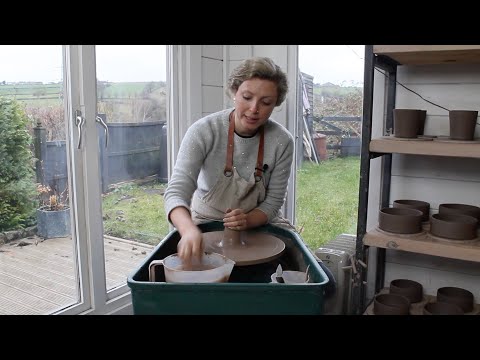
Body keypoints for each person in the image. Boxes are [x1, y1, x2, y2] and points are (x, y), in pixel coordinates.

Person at [163, 56, 294, 263]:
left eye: (266, 102)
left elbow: (274, 201)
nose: (254, 109)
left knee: (313, 275)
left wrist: (248, 221)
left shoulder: (282, 141)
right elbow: (175, 192)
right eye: (247, 97)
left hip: (257, 221)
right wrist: (188, 230)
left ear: (275, 103)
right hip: (206, 220)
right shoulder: (203, 131)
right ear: (234, 92)